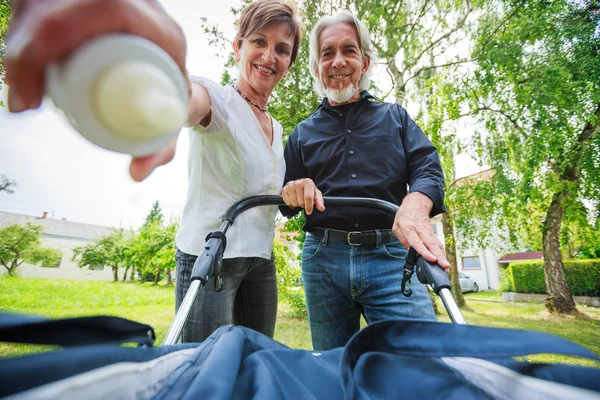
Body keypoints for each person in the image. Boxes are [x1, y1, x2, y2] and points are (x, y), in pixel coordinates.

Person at [6, 0, 303, 343]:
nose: (269, 56)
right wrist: (166, 104)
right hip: (212, 258)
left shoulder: (277, 130)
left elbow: (268, 191)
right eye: (259, 42)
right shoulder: (218, 100)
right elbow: (189, 101)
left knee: (256, 361)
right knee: (199, 368)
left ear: (289, 63)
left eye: (282, 49)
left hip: (260, 261)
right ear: (238, 47)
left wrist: (297, 187)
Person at [280, 10, 450, 351]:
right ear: (316, 69)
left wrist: (416, 204)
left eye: (349, 51)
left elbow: (428, 168)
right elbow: (284, 202)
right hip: (322, 263)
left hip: (391, 257)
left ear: (365, 61)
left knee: (423, 364)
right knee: (332, 370)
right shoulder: (300, 135)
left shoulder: (396, 118)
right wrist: (292, 191)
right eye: (327, 53)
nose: (338, 61)